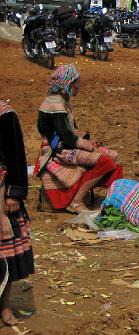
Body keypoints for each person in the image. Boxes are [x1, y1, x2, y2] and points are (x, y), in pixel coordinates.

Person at [34, 65, 123, 212]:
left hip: (64, 145)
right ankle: (77, 201)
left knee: (114, 157)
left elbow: (68, 131)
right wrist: (90, 146)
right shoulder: (56, 105)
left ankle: (114, 201)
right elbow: (67, 139)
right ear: (68, 84)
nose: (78, 87)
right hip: (57, 150)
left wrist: (87, 140)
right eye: (76, 83)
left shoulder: (60, 101)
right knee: (105, 160)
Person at [0, 101, 34, 326]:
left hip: (2, 196)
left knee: (6, 255)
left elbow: (16, 154)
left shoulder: (5, 116)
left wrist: (14, 192)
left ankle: (3, 307)